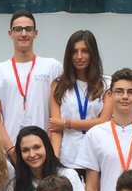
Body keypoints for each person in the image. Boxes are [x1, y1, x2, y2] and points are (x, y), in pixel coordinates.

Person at [0, 10, 63, 158]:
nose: (23, 33)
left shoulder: (52, 67)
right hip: (10, 152)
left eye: (28, 29)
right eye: (18, 29)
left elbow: (57, 113)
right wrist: (11, 150)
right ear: (10, 33)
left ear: (35, 33)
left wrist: (50, 148)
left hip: (43, 150)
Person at [48, 30, 111, 170]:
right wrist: (54, 160)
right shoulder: (58, 85)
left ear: (93, 54)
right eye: (74, 52)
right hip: (67, 159)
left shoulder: (107, 84)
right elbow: (55, 127)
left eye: (85, 51)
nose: (79, 56)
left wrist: (66, 123)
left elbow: (104, 122)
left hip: (97, 157)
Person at [12, 125, 90, 191]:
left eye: (37, 147)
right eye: (25, 150)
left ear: (47, 147)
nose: (32, 154)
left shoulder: (68, 175)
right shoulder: (15, 184)